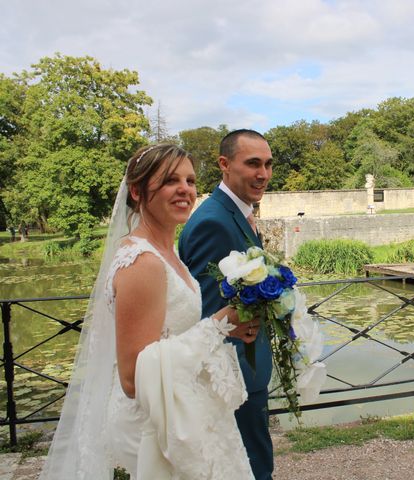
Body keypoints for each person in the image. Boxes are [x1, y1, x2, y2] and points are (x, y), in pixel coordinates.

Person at [39, 144, 256, 480]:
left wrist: (227, 329)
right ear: (138, 191)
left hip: (178, 407)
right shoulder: (143, 263)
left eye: (190, 180)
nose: (185, 188)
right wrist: (217, 325)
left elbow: (169, 331)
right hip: (151, 427)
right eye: (170, 180)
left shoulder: (166, 254)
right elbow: (131, 378)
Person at [179, 129, 274, 480]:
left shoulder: (234, 213)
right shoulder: (214, 223)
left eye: (267, 164)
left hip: (243, 371)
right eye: (252, 164)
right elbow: (207, 312)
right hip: (232, 376)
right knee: (249, 467)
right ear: (224, 164)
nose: (262, 174)